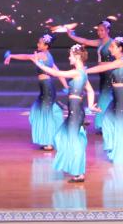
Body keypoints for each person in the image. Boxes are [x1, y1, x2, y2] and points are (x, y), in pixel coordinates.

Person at [32, 44, 99, 183]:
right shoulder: (83, 73)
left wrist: (38, 63)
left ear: (77, 56)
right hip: (76, 110)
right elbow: (90, 90)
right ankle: (77, 170)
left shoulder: (78, 72)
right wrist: (90, 106)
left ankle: (79, 173)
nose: (69, 57)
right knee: (63, 137)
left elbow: (56, 73)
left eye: (70, 55)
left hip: (76, 112)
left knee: (72, 141)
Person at [84, 36, 123, 164]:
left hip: (122, 99)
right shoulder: (120, 62)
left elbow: (103, 68)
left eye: (113, 46)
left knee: (120, 126)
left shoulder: (121, 61)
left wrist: (84, 71)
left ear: (120, 48)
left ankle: (121, 153)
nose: (110, 48)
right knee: (107, 120)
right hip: (116, 98)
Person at [5, 33, 67, 150]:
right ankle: (51, 138)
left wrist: (11, 55)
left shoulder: (42, 55)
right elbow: (57, 72)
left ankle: (49, 142)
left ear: (46, 46)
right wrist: (65, 85)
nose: (38, 44)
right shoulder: (48, 56)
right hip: (47, 88)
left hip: (47, 88)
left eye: (40, 43)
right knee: (40, 112)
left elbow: (27, 56)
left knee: (44, 114)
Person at [65, 20, 114, 132]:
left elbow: (116, 59)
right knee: (104, 96)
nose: (99, 32)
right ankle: (105, 124)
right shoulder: (100, 42)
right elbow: (85, 41)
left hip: (109, 73)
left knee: (105, 97)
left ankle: (103, 125)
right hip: (102, 73)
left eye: (102, 30)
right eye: (98, 30)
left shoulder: (112, 43)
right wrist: (71, 36)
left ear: (108, 30)